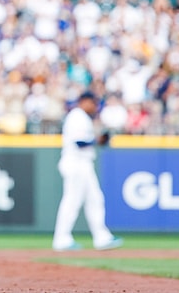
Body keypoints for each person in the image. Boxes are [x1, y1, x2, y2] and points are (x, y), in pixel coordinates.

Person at [52, 91, 122, 252]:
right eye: (93, 103)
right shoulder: (77, 116)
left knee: (95, 199)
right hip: (76, 162)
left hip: (83, 163)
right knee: (72, 201)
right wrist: (98, 140)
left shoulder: (82, 117)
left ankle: (101, 237)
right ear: (84, 101)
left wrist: (98, 140)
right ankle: (61, 238)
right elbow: (80, 142)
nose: (95, 106)